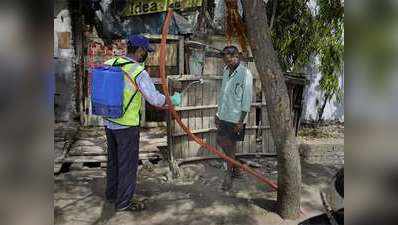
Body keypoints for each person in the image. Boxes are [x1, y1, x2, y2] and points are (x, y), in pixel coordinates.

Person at [103, 34, 181, 212]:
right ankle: (123, 203)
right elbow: (154, 99)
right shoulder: (138, 72)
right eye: (146, 51)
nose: (147, 55)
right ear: (139, 51)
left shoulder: (111, 63)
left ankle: (112, 194)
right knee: (128, 165)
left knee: (114, 161)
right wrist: (173, 100)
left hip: (109, 122)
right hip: (127, 125)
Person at [215, 45, 253, 191]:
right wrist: (218, 114)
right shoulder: (226, 71)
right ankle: (236, 166)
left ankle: (229, 176)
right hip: (224, 115)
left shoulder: (245, 74)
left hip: (236, 118)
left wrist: (241, 121)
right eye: (225, 61)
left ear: (236, 57)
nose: (227, 63)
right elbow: (223, 95)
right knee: (220, 141)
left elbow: (247, 99)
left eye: (229, 60)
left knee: (231, 146)